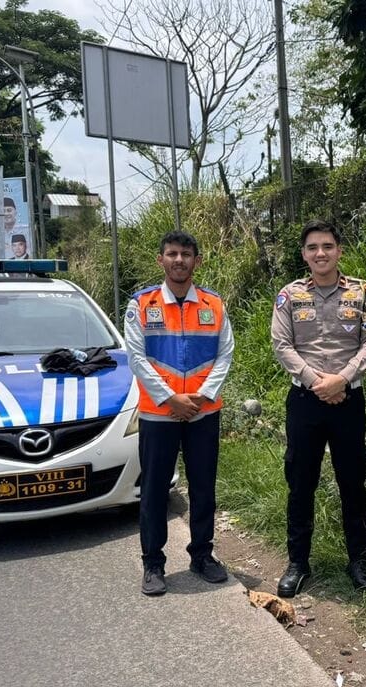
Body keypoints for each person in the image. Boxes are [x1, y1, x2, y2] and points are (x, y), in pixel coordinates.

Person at [270, 220, 366, 597]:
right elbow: (282, 345)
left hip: (348, 402)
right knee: (300, 482)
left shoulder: (362, 291)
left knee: (353, 481)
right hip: (305, 402)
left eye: (327, 246)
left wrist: (342, 379)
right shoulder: (289, 295)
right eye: (313, 247)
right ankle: (297, 563)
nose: (320, 253)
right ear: (304, 254)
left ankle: (359, 561)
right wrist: (317, 383)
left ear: (339, 250)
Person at [124, 230, 235, 596]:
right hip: (159, 414)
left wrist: (201, 397)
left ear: (196, 261)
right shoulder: (142, 304)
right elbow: (137, 358)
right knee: (154, 490)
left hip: (204, 413)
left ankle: (202, 555)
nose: (179, 260)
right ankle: (153, 564)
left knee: (204, 488)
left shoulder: (214, 304)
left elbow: (225, 354)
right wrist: (171, 399)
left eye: (186, 255)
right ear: (161, 260)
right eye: (172, 254)